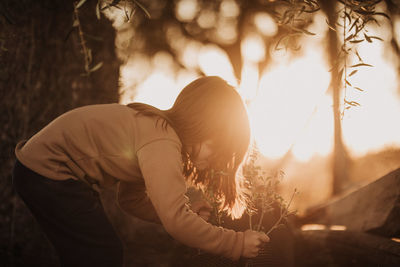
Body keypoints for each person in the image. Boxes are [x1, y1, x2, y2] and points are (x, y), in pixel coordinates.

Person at [12, 76, 269, 267]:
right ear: (199, 124)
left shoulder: (155, 132)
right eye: (215, 147)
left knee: (88, 254)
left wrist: (184, 210)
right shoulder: (162, 141)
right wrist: (236, 243)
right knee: (102, 253)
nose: (215, 159)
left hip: (42, 172)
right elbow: (176, 222)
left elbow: (130, 200)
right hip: (51, 173)